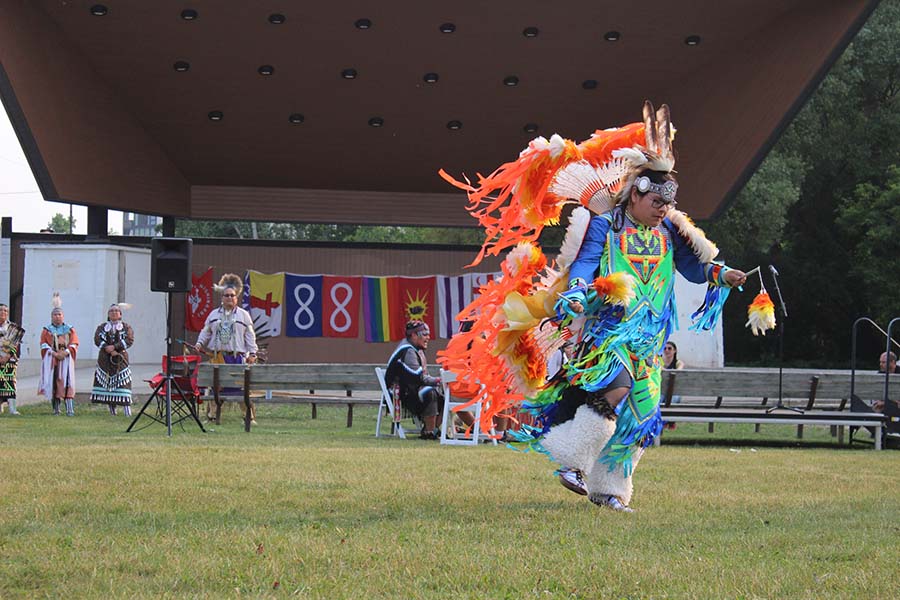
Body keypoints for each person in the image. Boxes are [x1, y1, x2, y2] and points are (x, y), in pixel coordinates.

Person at [440, 101, 746, 511]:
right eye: (657, 202)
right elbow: (584, 263)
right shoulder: (606, 225)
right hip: (608, 330)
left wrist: (721, 275)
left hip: (649, 337)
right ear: (636, 194)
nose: (663, 210)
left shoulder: (669, 232)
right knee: (616, 386)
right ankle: (572, 462)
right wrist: (577, 291)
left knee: (641, 415)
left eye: (667, 204)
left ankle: (610, 491)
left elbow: (694, 268)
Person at [196, 274, 259, 423]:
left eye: (232, 295)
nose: (229, 298)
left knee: (242, 387)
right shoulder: (213, 315)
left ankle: (248, 417)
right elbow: (206, 331)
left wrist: (253, 353)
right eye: (227, 295)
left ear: (236, 297)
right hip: (218, 357)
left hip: (237, 358)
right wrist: (199, 343)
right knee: (216, 387)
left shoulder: (243, 315)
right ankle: (212, 416)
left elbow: (250, 336)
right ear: (222, 298)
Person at [385, 320, 445, 439]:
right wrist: (439, 381)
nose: (428, 337)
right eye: (425, 334)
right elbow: (419, 377)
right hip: (400, 394)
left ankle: (432, 429)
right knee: (430, 393)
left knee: (443, 398)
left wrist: (438, 382)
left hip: (410, 390)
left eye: (428, 334)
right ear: (413, 335)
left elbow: (421, 377)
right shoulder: (408, 351)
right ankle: (429, 432)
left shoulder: (416, 349)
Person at [90, 303, 135, 416]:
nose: (114, 313)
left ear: (120, 314)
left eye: (116, 311)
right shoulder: (102, 327)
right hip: (105, 359)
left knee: (123, 383)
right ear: (108, 314)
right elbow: (97, 339)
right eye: (111, 311)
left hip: (120, 359)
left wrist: (115, 347)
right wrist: (108, 349)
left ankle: (127, 411)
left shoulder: (126, 327)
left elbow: (129, 340)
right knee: (108, 384)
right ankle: (112, 411)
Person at [38, 293, 79, 416]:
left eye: (59, 314)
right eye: (55, 315)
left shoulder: (70, 329)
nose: (57, 317)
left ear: (63, 316)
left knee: (68, 381)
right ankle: (56, 408)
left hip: (66, 360)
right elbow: (43, 344)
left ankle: (70, 409)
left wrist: (66, 352)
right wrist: (54, 353)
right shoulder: (47, 330)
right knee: (54, 382)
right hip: (53, 360)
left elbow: (74, 343)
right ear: (51, 317)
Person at [0, 304, 22, 415]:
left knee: (10, 383)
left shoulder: (12, 328)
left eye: (5, 311)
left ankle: (12, 408)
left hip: (9, 360)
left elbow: (15, 345)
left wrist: (7, 356)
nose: (3, 312)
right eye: (1, 310)